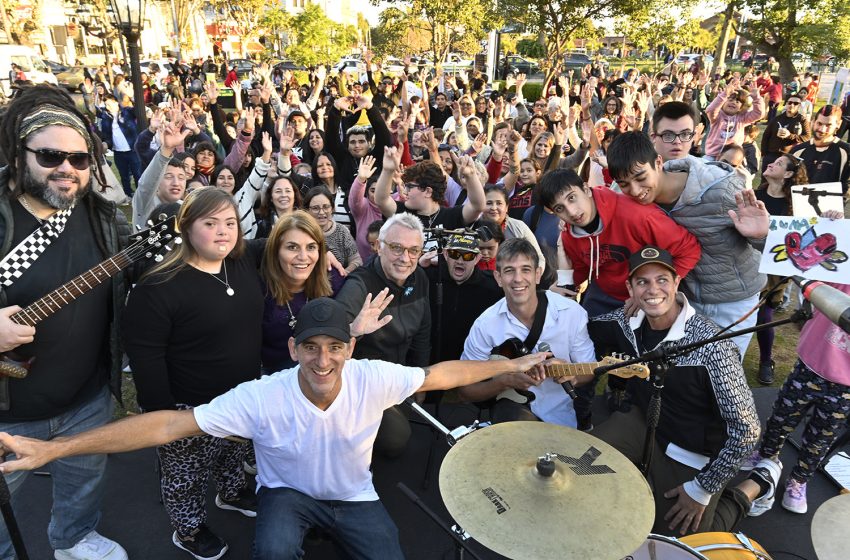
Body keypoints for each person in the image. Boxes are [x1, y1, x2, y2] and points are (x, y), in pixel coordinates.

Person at [0, 298, 548, 560]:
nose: (323, 360)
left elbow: (440, 373)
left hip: (357, 497)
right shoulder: (261, 397)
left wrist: (508, 366)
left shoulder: (373, 377)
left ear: (350, 349)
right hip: (286, 497)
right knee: (273, 554)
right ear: (293, 349)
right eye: (311, 347)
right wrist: (56, 448)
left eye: (335, 347)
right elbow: (170, 424)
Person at [0, 85, 129, 559]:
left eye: (79, 159)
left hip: (85, 399)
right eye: (52, 155)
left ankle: (73, 539)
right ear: (20, 155)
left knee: (82, 484)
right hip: (7, 414)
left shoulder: (100, 215)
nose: (67, 169)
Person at [588, 246, 761, 537]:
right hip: (641, 422)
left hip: (690, 451)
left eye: (661, 280)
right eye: (642, 282)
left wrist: (702, 489)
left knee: (683, 540)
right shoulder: (624, 321)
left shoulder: (713, 345)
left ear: (676, 282)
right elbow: (585, 327)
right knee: (575, 464)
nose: (652, 289)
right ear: (630, 288)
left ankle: (751, 487)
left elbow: (747, 430)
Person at [607, 131, 769, 360]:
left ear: (659, 162)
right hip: (685, 300)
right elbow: (599, 203)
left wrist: (762, 236)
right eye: (624, 184)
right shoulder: (632, 201)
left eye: (641, 178)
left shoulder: (721, 191)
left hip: (733, 302)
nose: (634, 190)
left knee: (722, 373)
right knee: (687, 374)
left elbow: (777, 248)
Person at [742, 262, 849, 515]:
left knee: (821, 437)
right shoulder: (843, 268)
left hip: (845, 386)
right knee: (781, 417)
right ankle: (767, 457)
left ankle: (799, 480)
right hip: (810, 366)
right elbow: (812, 268)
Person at [459, 238, 596, 427]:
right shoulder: (485, 325)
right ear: (498, 278)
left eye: (525, 270)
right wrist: (504, 382)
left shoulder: (572, 314)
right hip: (510, 415)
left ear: (538, 274)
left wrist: (572, 375)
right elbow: (465, 390)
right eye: (509, 271)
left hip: (561, 419)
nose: (517, 279)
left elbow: (589, 370)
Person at [334, 213, 431, 457]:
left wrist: (422, 381)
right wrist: (354, 330)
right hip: (362, 383)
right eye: (396, 248)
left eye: (414, 251)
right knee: (397, 439)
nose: (405, 258)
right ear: (379, 247)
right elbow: (331, 343)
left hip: (398, 375)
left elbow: (422, 334)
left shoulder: (419, 277)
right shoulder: (359, 286)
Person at [753, 154, 809, 384]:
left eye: (778, 164)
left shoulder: (797, 205)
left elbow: (809, 234)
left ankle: (766, 360)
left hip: (776, 269)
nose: (770, 164)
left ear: (788, 174)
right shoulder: (755, 196)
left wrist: (830, 217)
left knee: (763, 315)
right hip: (749, 263)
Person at [374, 146, 485, 251]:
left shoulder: (452, 216)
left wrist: (471, 175)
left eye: (410, 187)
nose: (405, 191)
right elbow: (381, 200)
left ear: (427, 191)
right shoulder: (402, 214)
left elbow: (477, 206)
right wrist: (387, 171)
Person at [419, 233, 503, 362]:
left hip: (471, 364)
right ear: (446, 254)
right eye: (454, 254)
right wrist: (419, 265)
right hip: (431, 362)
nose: (460, 260)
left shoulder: (492, 287)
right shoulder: (429, 277)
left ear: (477, 258)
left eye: (468, 256)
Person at [790, 104, 850, 198]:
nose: (822, 129)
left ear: (838, 124)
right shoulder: (797, 150)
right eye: (819, 123)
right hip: (796, 205)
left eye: (828, 125)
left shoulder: (846, 151)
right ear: (813, 121)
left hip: (830, 208)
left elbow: (847, 186)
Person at [303, 186, 362, 273]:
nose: (321, 212)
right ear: (307, 210)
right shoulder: (303, 233)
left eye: (326, 207)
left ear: (332, 208)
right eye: (315, 208)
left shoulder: (341, 231)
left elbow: (357, 260)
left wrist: (344, 273)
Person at [704, 78, 765, 160]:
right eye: (730, 100)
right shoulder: (717, 116)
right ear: (723, 103)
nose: (733, 102)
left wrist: (757, 98)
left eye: (737, 102)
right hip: (713, 155)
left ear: (741, 107)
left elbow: (759, 114)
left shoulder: (742, 119)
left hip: (732, 157)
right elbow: (710, 110)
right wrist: (724, 94)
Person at [98, 94, 141, 200]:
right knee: (124, 176)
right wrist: (106, 144)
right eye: (106, 104)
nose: (107, 106)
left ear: (116, 102)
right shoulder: (106, 117)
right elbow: (107, 135)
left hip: (132, 150)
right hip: (118, 152)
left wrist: (132, 98)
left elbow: (138, 110)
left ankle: (140, 195)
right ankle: (128, 194)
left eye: (109, 103)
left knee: (137, 174)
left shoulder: (127, 112)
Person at [760, 92, 811, 172]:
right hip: (771, 154)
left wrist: (790, 135)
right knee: (765, 179)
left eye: (796, 103)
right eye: (790, 103)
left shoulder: (802, 120)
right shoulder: (777, 119)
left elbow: (807, 137)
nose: (792, 105)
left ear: (799, 106)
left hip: (788, 157)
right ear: (786, 104)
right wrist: (764, 153)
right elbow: (766, 136)